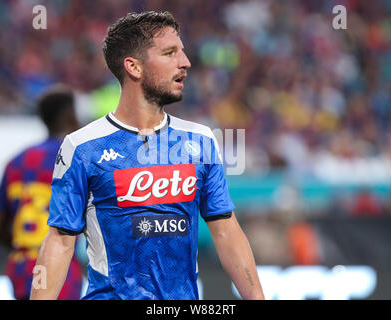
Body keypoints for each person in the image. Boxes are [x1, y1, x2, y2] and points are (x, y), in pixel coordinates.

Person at [30, 11, 265, 300]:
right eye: (170, 53)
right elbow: (61, 240)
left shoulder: (200, 141)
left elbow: (226, 230)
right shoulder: (82, 148)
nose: (185, 62)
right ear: (134, 67)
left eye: (182, 51)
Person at [0, 85, 83, 300]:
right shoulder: (76, 160)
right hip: (60, 273)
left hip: (22, 270)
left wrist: (27, 247)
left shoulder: (16, 163)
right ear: (70, 116)